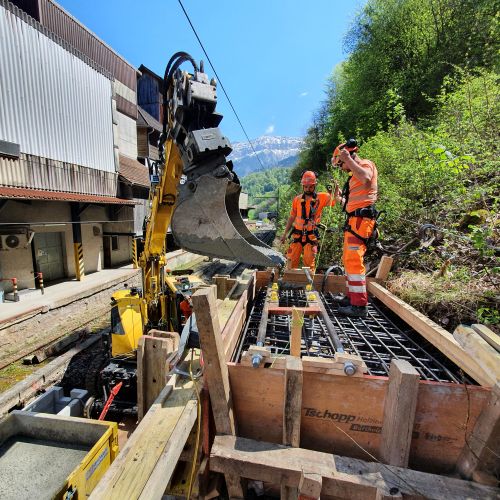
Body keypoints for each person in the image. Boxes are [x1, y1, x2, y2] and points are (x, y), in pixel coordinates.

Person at [331, 139, 378, 318]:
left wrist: (348, 159)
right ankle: (352, 297)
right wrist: (338, 198)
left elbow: (366, 178)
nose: (342, 168)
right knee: (349, 260)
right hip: (354, 221)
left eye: (341, 163)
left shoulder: (365, 165)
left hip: (361, 221)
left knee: (354, 261)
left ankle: (359, 306)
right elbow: (351, 204)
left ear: (347, 156)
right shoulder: (353, 177)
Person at [280, 170, 338, 274]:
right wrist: (285, 234)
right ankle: (290, 283)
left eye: (310, 187)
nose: (308, 189)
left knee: (309, 264)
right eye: (305, 187)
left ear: (315, 185)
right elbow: (292, 217)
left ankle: (308, 286)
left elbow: (336, 199)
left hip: (311, 236)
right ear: (302, 186)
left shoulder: (321, 197)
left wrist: (335, 189)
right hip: (297, 235)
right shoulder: (297, 200)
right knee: (291, 261)